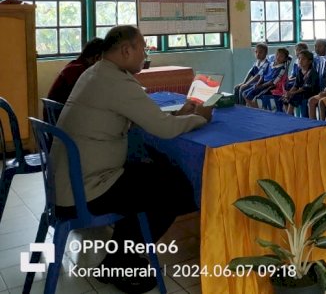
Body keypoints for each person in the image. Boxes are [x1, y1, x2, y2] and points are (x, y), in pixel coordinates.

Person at [51, 26, 211, 293]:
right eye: (143, 48)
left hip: (70, 181)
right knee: (176, 188)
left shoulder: (95, 73)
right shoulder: (117, 82)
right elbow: (164, 130)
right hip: (86, 189)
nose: (145, 55)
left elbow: (151, 122)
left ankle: (119, 256)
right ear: (127, 50)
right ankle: (120, 261)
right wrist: (199, 118)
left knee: (154, 174)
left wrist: (178, 115)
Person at [47, 37, 105, 105]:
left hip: (56, 112)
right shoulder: (79, 71)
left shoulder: (74, 65)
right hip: (63, 112)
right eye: (104, 60)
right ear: (97, 57)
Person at [281, 50, 319, 116]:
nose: (300, 60)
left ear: (310, 61)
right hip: (301, 92)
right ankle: (289, 115)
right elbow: (296, 85)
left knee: (293, 97)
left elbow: (305, 88)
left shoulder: (312, 72)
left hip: (310, 93)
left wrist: (292, 93)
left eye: (303, 59)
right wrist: (289, 93)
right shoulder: (299, 71)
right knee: (285, 98)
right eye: (299, 58)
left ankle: (290, 115)